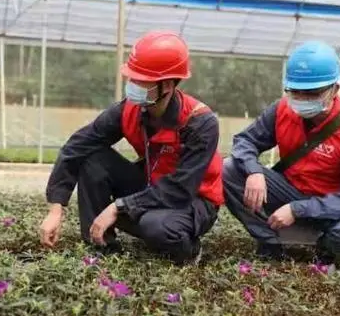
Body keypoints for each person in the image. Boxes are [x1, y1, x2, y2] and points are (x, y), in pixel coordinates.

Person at [39, 31, 224, 264]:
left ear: (166, 85)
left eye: (140, 80)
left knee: (156, 227)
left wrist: (120, 206)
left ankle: (189, 250)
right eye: (131, 77)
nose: (132, 85)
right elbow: (78, 145)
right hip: (152, 185)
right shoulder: (129, 110)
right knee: (92, 158)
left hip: (194, 199)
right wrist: (56, 208)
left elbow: (180, 188)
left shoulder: (199, 122)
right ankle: (102, 248)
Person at [223, 41, 340, 265]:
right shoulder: (281, 109)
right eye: (296, 92)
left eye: (312, 93)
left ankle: (324, 246)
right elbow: (245, 141)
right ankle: (271, 242)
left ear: (334, 89)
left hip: (333, 206)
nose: (303, 99)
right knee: (229, 168)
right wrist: (253, 171)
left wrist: (298, 209)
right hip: (288, 191)